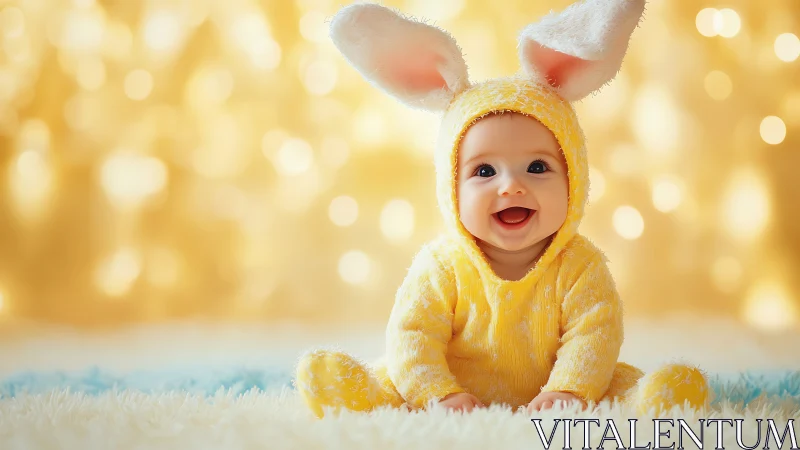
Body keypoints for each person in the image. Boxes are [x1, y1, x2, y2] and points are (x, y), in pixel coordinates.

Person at [294, 0, 710, 418]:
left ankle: (653, 400)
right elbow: (412, 336)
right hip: (451, 384)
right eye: (484, 171)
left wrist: (569, 390)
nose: (511, 186)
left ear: (574, 179)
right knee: (397, 379)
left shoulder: (581, 266)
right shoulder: (442, 266)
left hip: (554, 385)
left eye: (537, 167)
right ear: (452, 189)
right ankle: (359, 393)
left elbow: (595, 335)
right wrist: (437, 393)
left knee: (612, 382)